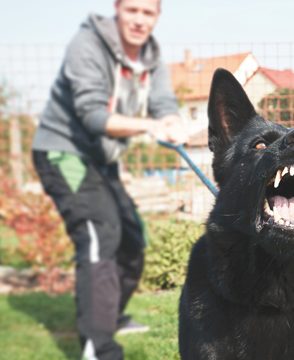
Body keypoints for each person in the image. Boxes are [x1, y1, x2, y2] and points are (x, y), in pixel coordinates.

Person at [31, 0, 188, 359]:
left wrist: (173, 121)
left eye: (147, 12)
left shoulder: (152, 57)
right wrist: (151, 125)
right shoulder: (86, 45)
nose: (138, 19)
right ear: (117, 9)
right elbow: (92, 115)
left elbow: (163, 102)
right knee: (100, 235)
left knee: (132, 240)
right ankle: (97, 347)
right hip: (64, 152)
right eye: (132, 9)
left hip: (102, 161)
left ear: (157, 16)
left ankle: (110, 315)